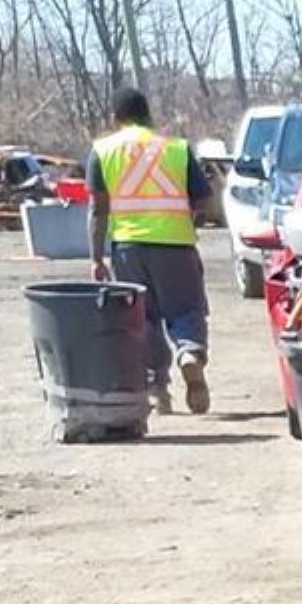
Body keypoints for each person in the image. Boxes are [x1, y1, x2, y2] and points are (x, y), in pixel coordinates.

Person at [86, 88, 220, 415]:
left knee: (142, 319)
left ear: (115, 119)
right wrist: (189, 218)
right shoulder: (176, 149)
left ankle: (158, 388)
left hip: (127, 248)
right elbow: (204, 200)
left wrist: (96, 258)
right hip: (176, 245)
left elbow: (98, 210)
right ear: (149, 116)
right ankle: (189, 353)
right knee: (187, 309)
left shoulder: (102, 151)